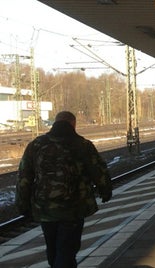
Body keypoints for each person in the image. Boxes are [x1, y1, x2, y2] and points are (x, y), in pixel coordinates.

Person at [16, 111, 112, 268]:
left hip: (45, 208)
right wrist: (105, 190)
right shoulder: (83, 145)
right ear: (73, 124)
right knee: (67, 250)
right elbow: (98, 171)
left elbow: (24, 177)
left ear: (55, 123)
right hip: (73, 208)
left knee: (53, 249)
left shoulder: (36, 145)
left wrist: (22, 203)